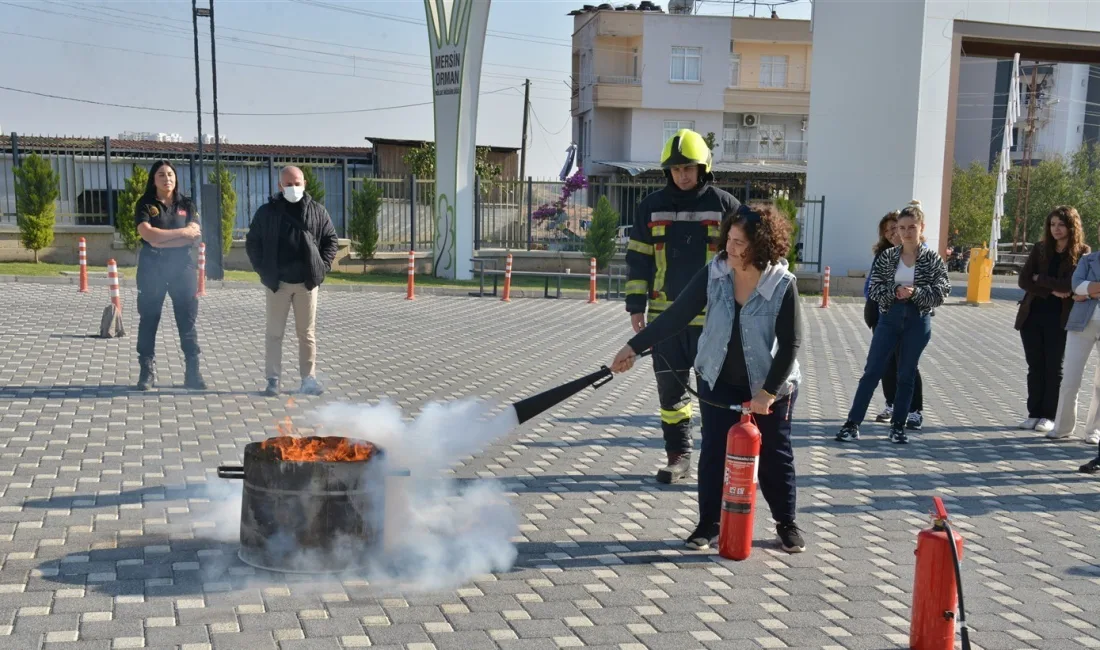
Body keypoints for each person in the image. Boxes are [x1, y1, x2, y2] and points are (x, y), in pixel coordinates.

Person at [611, 202, 805, 553]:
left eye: (739, 242)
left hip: (770, 384)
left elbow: (791, 345)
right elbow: (677, 315)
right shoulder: (715, 272)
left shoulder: (781, 283)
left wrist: (766, 393)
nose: (729, 248)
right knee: (715, 451)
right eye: (728, 238)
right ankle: (708, 524)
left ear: (759, 245)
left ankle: (786, 523)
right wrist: (633, 347)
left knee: (775, 454)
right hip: (717, 377)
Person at [623, 128, 740, 484]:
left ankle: (720, 458)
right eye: (676, 169)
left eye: (689, 167)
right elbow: (638, 261)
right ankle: (679, 456)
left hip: (715, 320)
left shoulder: (726, 206)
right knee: (671, 395)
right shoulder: (650, 207)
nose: (683, 175)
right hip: (665, 319)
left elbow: (746, 258)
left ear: (703, 167)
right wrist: (635, 307)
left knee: (715, 395)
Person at [836, 201, 950, 444]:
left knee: (906, 373)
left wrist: (915, 293)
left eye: (911, 227)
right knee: (872, 371)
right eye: (901, 228)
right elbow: (874, 289)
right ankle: (852, 423)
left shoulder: (932, 259)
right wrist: (895, 290)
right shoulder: (887, 257)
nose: (906, 233)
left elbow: (942, 291)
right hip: (889, 319)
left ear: (921, 227)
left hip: (917, 322)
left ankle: (899, 426)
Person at [245, 166, 339, 397]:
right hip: (278, 284)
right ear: (280, 186)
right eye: (288, 184)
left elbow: (331, 240)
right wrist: (262, 270)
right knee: (274, 333)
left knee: (306, 334)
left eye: (297, 183)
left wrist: (322, 267)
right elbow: (252, 241)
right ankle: (272, 380)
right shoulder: (267, 212)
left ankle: (308, 379)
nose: (293, 188)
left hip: (307, 284)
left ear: (304, 183)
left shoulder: (317, 211)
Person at [133, 160, 206, 391]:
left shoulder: (187, 204)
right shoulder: (145, 204)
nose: (167, 179)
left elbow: (193, 235)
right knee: (149, 319)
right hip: (151, 267)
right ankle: (147, 372)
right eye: (162, 175)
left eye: (171, 174)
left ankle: (192, 372)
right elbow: (147, 234)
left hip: (182, 267)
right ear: (154, 179)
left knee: (187, 321)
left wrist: (162, 237)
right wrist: (180, 233)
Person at [1015, 206, 1088, 434]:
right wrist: (1051, 290)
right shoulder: (1040, 249)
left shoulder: (1082, 252)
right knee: (1035, 366)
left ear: (1071, 226)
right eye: (1053, 224)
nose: (1056, 229)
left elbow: (1069, 285)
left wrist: (1041, 279)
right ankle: (1034, 413)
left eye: (1061, 224)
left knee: (1054, 367)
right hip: (1033, 315)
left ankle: (1049, 415)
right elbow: (1025, 280)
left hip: (1060, 318)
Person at [862, 211, 926, 428]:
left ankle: (915, 410)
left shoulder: (920, 254)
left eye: (895, 228)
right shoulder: (884, 255)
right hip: (883, 317)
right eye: (887, 231)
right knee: (886, 363)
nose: (892, 234)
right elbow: (870, 286)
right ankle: (891, 404)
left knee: (907, 364)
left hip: (911, 318)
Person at [1049, 215, 1100, 445]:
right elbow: (1075, 286)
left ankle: (1093, 431)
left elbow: (1082, 290)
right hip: (1081, 324)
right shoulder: (1089, 260)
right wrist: (1085, 291)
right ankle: (1062, 427)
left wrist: (1087, 293)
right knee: (1070, 377)